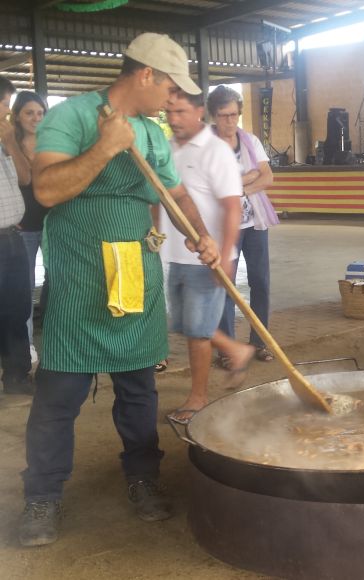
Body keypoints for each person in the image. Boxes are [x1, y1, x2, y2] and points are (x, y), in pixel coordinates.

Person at [19, 32, 220, 547]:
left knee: (137, 391)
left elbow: (176, 196)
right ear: (146, 75)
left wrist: (202, 236)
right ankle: (42, 496)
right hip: (79, 277)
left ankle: (143, 479)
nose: (174, 99)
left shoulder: (152, 133)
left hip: (134, 271)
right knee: (57, 397)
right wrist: (106, 147)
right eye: (171, 86)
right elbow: (45, 189)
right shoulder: (75, 117)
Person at [161, 90, 255, 425]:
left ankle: (198, 399)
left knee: (198, 331)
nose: (173, 119)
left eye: (181, 111)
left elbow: (232, 206)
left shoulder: (216, 151)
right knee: (186, 326)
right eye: (169, 111)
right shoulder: (168, 147)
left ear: (200, 111)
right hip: (174, 253)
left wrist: (227, 255)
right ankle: (235, 350)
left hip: (207, 256)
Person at [208, 85, 279, 367]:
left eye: (234, 115)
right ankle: (227, 348)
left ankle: (260, 341)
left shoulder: (249, 141)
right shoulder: (205, 146)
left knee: (260, 281)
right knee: (225, 284)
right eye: (224, 116)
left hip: (254, 222)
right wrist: (248, 178)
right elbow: (212, 187)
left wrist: (237, 186)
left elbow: (268, 178)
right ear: (213, 115)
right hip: (224, 226)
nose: (230, 122)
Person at [0, 76, 33, 398]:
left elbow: (26, 178)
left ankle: (17, 377)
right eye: (4, 105)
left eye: (8, 105)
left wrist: (11, 144)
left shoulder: (7, 142)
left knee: (17, 307)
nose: (7, 113)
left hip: (12, 237)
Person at [12, 91, 48, 365]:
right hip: (23, 227)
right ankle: (27, 348)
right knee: (23, 288)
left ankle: (57, 341)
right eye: (29, 113)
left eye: (40, 112)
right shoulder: (7, 146)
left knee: (57, 281)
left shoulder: (52, 143)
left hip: (52, 224)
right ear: (18, 116)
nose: (35, 118)